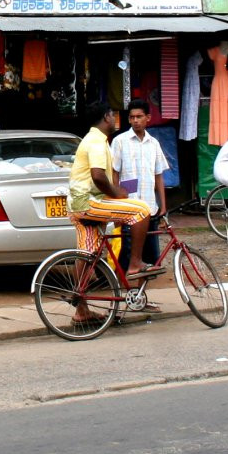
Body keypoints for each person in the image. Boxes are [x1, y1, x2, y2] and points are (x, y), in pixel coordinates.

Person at [67, 103, 151, 305]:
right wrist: (117, 193)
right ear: (106, 117)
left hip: (77, 205)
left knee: (88, 254)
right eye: (113, 116)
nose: (115, 120)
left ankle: (81, 311)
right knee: (142, 210)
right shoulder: (96, 141)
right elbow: (98, 176)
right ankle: (135, 264)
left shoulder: (95, 139)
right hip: (88, 202)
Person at [112, 99, 169, 277]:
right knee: (127, 257)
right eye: (132, 117)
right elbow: (114, 174)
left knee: (149, 259)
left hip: (149, 207)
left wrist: (163, 204)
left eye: (139, 116)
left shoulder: (154, 144)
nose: (135, 120)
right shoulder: (120, 141)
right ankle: (129, 293)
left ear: (148, 118)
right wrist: (116, 204)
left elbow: (158, 175)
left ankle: (139, 296)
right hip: (128, 208)